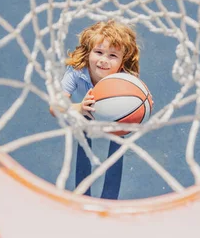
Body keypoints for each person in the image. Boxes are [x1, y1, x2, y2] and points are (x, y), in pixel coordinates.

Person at [54, 19, 140, 199]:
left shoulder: (124, 79)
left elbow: (141, 97)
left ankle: (110, 198)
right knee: (84, 146)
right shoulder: (76, 72)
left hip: (115, 114)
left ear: (122, 63)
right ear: (87, 54)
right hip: (83, 111)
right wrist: (79, 108)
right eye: (99, 52)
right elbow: (55, 107)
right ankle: (83, 193)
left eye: (112, 56)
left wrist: (143, 105)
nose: (103, 60)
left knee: (117, 147)